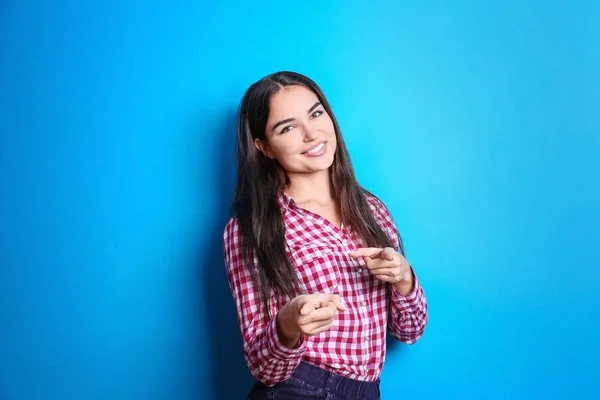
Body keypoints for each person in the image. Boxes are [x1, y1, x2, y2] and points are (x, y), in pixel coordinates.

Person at [223, 71, 428, 400]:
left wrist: (404, 278)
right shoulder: (251, 228)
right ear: (264, 147)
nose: (311, 133)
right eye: (287, 127)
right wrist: (288, 324)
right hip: (297, 390)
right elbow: (263, 367)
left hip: (365, 392)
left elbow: (409, 331)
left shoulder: (373, 211)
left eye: (316, 113)